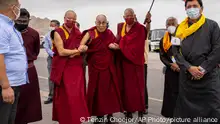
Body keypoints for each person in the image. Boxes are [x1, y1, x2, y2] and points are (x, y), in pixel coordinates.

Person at [172, 0, 220, 122]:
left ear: (201, 8)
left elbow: (217, 50)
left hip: (208, 79)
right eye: (189, 6)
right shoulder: (178, 29)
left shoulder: (212, 26)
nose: (192, 9)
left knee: (212, 112)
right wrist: (189, 68)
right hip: (187, 79)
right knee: (186, 114)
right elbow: (176, 52)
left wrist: (201, 69)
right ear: (185, 9)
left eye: (195, 6)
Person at [78, 14, 123, 123]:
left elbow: (115, 44)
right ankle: (99, 117)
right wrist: (83, 47)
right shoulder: (90, 33)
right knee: (97, 92)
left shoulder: (109, 33)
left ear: (106, 22)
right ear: (95, 22)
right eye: (99, 23)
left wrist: (115, 47)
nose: (102, 25)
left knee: (110, 91)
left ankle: (109, 117)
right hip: (95, 67)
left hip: (108, 66)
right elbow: (81, 45)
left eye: (104, 23)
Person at [50, 10, 89, 124]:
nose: (71, 21)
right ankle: (65, 119)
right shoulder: (58, 32)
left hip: (77, 68)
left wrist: (84, 49)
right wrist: (76, 51)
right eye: (69, 18)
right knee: (66, 95)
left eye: (73, 19)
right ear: (64, 18)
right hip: (64, 68)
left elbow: (83, 46)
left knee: (77, 94)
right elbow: (61, 52)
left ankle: (77, 119)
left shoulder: (77, 32)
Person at [115, 8, 148, 123]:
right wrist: (116, 44)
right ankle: (128, 112)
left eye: (130, 16)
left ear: (134, 16)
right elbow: (119, 39)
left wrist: (148, 22)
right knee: (126, 89)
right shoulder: (121, 27)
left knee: (138, 89)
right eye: (126, 16)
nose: (128, 18)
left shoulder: (140, 28)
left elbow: (139, 43)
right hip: (124, 62)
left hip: (135, 63)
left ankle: (140, 115)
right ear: (123, 17)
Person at [0, 1, 28, 124]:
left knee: (10, 119)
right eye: (18, 7)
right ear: (12, 7)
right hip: (6, 84)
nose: (19, 10)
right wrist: (5, 86)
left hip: (14, 83)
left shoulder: (9, 25)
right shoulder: (1, 26)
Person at [13, 8, 42, 124]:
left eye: (24, 21)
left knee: (27, 101)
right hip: (12, 71)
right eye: (19, 21)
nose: (22, 24)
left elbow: (36, 51)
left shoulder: (34, 34)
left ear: (28, 20)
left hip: (29, 70)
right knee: (12, 101)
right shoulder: (9, 32)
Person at [159, 17, 179, 118]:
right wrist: (170, 64)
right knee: (170, 94)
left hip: (182, 70)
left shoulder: (182, 36)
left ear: (177, 25)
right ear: (166, 26)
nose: (171, 26)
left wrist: (180, 65)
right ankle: (171, 114)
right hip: (170, 70)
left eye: (173, 23)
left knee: (181, 94)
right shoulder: (163, 40)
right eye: (169, 24)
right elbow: (162, 56)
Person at [43, 19, 60, 104]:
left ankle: (60, 96)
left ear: (58, 26)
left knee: (61, 77)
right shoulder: (47, 35)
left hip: (61, 57)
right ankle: (51, 96)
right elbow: (46, 46)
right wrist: (53, 54)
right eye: (50, 25)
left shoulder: (61, 34)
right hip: (51, 57)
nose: (51, 27)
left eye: (53, 25)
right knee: (51, 77)